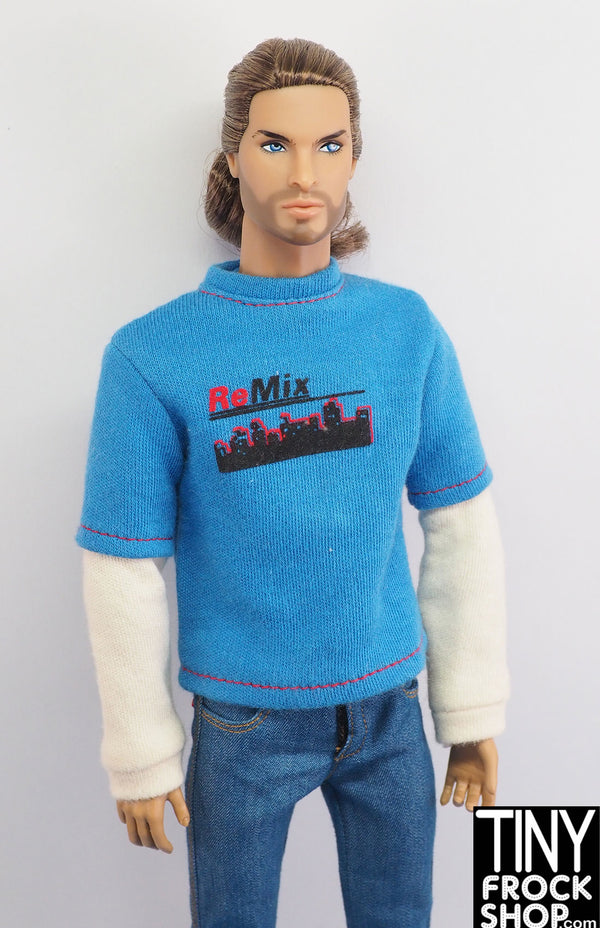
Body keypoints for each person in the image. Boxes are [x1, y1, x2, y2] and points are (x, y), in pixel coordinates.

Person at [77, 37, 509, 928]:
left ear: (355, 159)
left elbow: (460, 520)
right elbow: (123, 564)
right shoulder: (153, 356)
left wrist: (469, 713)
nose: (304, 172)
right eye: (274, 143)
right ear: (233, 156)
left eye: (330, 144)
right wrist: (142, 751)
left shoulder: (405, 331)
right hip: (242, 725)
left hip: (389, 712)